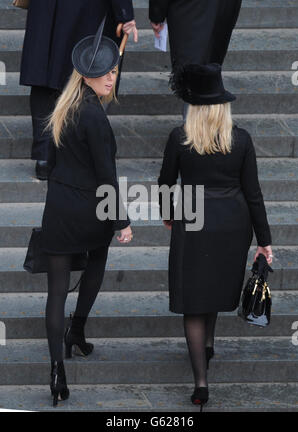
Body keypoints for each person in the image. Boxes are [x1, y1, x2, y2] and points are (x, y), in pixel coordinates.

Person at [157, 63, 273, 410]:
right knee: (216, 284)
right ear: (224, 105)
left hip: (191, 218)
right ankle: (208, 344)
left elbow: (165, 184)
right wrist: (264, 241)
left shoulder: (180, 137)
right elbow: (253, 193)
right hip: (232, 222)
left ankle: (201, 383)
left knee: (194, 296)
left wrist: (169, 216)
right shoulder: (241, 139)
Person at [40, 19, 133, 407]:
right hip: (91, 209)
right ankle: (75, 332)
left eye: (112, 71)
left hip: (60, 207)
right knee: (95, 263)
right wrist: (121, 220)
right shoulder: (95, 116)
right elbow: (106, 175)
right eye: (103, 73)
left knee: (56, 292)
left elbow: (50, 162)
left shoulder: (64, 108)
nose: (110, 79)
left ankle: (57, 365)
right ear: (87, 76)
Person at [19, 0, 137, 180]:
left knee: (46, 74)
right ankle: (76, 151)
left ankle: (44, 156)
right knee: (84, 74)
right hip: (86, 9)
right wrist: (125, 13)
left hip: (46, 8)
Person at [149, 0, 242, 119]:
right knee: (205, 72)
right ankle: (204, 128)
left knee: (194, 73)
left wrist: (157, 14)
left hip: (192, 9)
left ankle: (196, 130)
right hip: (221, 8)